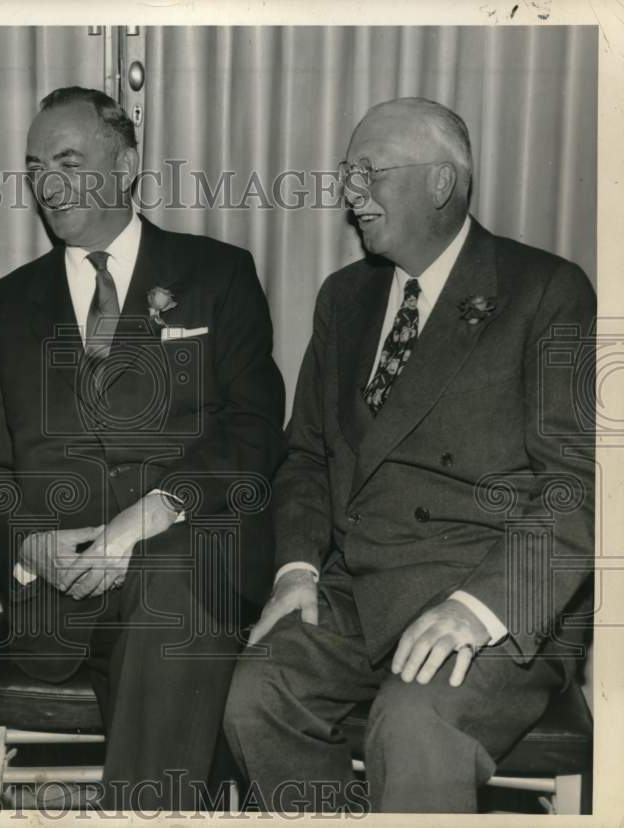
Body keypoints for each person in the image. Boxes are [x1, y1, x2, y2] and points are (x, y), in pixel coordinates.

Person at [223, 97, 595, 813]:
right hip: (357, 588)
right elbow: (304, 457)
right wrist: (296, 568)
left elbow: (578, 485)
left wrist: (478, 608)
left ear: (441, 184)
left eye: (370, 172)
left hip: (488, 599)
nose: (349, 192)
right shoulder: (346, 298)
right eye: (345, 173)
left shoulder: (546, 291)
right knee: (255, 696)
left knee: (417, 726)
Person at [0, 86, 285, 811]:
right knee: (173, 655)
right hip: (62, 595)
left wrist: (152, 512)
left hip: (189, 571)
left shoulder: (220, 274)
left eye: (69, 160)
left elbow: (256, 426)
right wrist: (28, 545)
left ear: (126, 164)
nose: (48, 183)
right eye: (35, 166)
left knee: (171, 588)